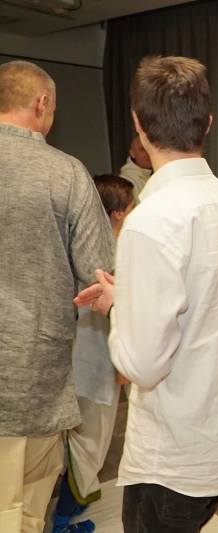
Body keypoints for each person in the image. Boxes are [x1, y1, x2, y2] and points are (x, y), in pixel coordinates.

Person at [74, 55, 218, 533]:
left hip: (177, 453)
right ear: (208, 123)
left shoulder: (150, 221)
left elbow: (142, 365)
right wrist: (129, 300)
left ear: (139, 124)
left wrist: (121, 311)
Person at [0, 60, 115, 533]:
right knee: (23, 501)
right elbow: (98, 272)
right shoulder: (64, 172)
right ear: (41, 103)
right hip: (32, 370)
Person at [51, 175, 135, 533]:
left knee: (76, 443)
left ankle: (67, 506)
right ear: (117, 214)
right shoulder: (111, 258)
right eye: (132, 206)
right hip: (95, 364)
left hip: (72, 362)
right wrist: (124, 366)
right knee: (89, 448)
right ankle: (61, 522)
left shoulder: (74, 244)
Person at [119, 135, 153, 200]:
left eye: (149, 149)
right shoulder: (126, 180)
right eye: (142, 150)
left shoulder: (155, 175)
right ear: (132, 153)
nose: (147, 154)